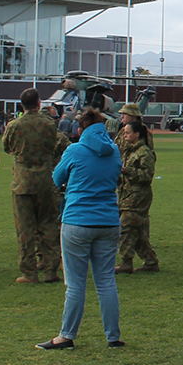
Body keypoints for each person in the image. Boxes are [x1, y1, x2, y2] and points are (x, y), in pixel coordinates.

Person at [37, 107, 123, 349]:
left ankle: (66, 335)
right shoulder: (114, 150)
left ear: (81, 129)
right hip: (108, 221)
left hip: (77, 221)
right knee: (106, 281)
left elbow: (56, 178)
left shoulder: (74, 150)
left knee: (75, 284)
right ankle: (113, 336)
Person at [2, 88, 68, 283]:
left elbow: (7, 147)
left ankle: (29, 272)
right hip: (46, 181)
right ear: (38, 103)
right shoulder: (48, 125)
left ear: (22, 105)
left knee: (25, 229)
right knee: (48, 226)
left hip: (23, 182)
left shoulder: (15, 125)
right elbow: (53, 145)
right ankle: (50, 270)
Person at [114, 119, 159, 274]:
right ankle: (151, 261)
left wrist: (128, 172)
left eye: (127, 133)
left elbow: (147, 176)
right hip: (126, 194)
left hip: (138, 196)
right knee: (137, 230)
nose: (124, 136)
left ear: (137, 134)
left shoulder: (144, 153)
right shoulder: (129, 151)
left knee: (125, 226)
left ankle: (126, 262)